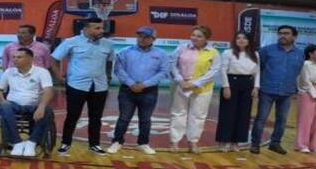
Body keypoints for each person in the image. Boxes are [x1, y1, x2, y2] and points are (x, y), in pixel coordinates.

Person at [51, 17, 115, 155]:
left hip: (100, 87)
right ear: (86, 29)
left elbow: (109, 61)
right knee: (72, 116)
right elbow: (53, 59)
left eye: (102, 27)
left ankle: (94, 145)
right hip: (76, 86)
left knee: (96, 117)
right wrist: (59, 78)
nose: (101, 30)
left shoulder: (108, 44)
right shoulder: (71, 42)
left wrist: (108, 76)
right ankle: (65, 143)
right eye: (97, 28)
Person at [108, 26, 170, 155]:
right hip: (127, 90)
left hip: (149, 91)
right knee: (124, 118)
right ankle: (117, 142)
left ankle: (143, 143)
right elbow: (118, 70)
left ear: (153, 39)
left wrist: (145, 84)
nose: (142, 39)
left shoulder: (161, 54)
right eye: (140, 36)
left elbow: (163, 72)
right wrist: (131, 83)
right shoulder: (125, 51)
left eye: (146, 37)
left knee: (145, 119)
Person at [250, 25, 304, 155]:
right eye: (280, 33)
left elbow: (298, 72)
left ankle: (275, 143)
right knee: (261, 118)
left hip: (287, 92)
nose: (282, 36)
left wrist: (296, 90)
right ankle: (255, 144)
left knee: (282, 120)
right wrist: (256, 87)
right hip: (267, 90)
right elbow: (257, 69)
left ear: (294, 37)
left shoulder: (300, 53)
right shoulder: (266, 50)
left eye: (286, 33)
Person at [169, 25, 220, 153]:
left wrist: (195, 83)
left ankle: (193, 142)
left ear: (206, 38)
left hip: (202, 89)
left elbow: (213, 71)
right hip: (181, 87)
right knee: (178, 113)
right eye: (193, 35)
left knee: (198, 116)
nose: (195, 38)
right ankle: (174, 142)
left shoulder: (213, 52)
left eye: (199, 36)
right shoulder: (181, 48)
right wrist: (180, 80)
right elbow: (172, 65)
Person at [0, 48, 55, 157]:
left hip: (33, 105)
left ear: (30, 59)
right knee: (4, 106)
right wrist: (3, 101)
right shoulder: (9, 72)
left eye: (19, 57)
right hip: (13, 104)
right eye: (14, 57)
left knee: (46, 110)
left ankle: (31, 143)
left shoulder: (42, 72)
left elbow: (49, 91)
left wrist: (41, 107)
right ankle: (16, 142)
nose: (15, 59)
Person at [216, 32, 260, 151]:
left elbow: (257, 72)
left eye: (244, 38)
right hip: (231, 82)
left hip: (247, 84)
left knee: (243, 114)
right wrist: (226, 86)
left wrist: (256, 87)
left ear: (249, 41)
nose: (241, 40)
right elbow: (223, 70)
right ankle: (224, 141)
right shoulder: (228, 53)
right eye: (238, 38)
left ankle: (236, 142)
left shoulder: (254, 54)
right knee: (228, 114)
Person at [295, 45, 316, 153]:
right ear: (311, 53)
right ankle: (302, 145)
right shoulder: (305, 64)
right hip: (308, 93)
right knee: (306, 120)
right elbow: (305, 81)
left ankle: (315, 145)